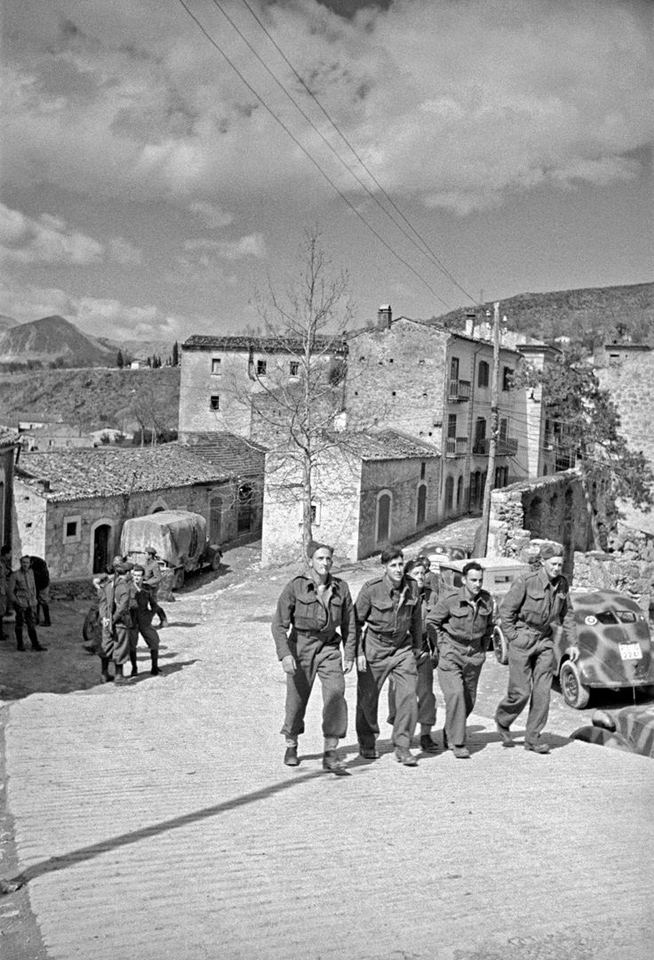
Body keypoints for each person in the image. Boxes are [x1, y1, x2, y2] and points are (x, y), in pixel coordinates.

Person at [272, 541, 357, 773]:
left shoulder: (341, 588)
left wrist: (349, 654)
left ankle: (331, 751)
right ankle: (291, 743)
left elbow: (350, 624)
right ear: (310, 561)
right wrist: (285, 655)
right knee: (296, 700)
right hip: (301, 646)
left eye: (328, 559)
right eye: (320, 559)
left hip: (329, 647)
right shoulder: (296, 587)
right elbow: (279, 625)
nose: (325, 563)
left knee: (336, 692)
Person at [495, 542, 579, 754]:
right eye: (553, 564)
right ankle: (503, 720)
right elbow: (506, 611)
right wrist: (514, 636)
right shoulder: (526, 581)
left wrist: (573, 642)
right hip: (523, 638)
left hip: (544, 641)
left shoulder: (562, 584)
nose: (557, 568)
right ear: (543, 562)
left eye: (560, 564)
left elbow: (567, 614)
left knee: (542, 693)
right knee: (521, 692)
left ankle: (532, 738)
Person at [355, 545, 422, 766]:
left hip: (402, 648)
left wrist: (418, 647)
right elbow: (355, 623)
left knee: (409, 695)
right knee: (368, 698)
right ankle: (367, 741)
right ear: (384, 567)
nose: (398, 569)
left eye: (401, 564)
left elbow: (416, 620)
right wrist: (358, 652)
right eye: (393, 565)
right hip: (375, 647)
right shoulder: (371, 589)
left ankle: (402, 746)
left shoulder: (412, 586)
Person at [427, 561, 496, 758]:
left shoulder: (487, 600)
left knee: (468, 700)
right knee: (456, 695)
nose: (477, 584)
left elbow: (490, 625)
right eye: (473, 580)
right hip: (451, 653)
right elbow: (432, 621)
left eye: (480, 580)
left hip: (474, 656)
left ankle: (450, 730)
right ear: (464, 580)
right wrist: (441, 645)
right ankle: (457, 743)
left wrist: (482, 648)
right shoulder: (451, 600)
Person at [387, 558, 440, 753]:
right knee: (399, 695)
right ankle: (400, 734)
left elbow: (438, 624)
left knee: (426, 693)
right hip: (401, 651)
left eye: (423, 573)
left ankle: (425, 735)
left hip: (423, 652)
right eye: (416, 573)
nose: (421, 577)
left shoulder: (432, 596)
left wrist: (437, 651)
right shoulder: (399, 595)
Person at [98, 559, 135, 684]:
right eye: (132, 572)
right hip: (119, 623)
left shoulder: (108, 584)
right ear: (128, 573)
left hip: (107, 621)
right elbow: (122, 607)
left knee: (106, 646)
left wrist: (105, 619)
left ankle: (104, 674)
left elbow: (102, 602)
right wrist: (113, 620)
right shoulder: (124, 587)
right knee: (120, 648)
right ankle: (119, 677)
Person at [128, 565, 161, 677]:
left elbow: (154, 605)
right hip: (132, 621)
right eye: (135, 575)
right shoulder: (128, 587)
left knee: (154, 641)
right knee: (132, 645)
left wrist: (150, 615)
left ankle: (155, 666)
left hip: (144, 620)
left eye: (139, 576)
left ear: (143, 577)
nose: (136, 578)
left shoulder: (147, 589)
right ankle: (134, 668)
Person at [8, 556, 47, 652]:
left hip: (30, 603)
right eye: (23, 562)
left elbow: (33, 587)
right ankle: (20, 644)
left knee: (31, 624)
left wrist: (34, 600)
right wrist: (16, 602)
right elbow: (10, 591)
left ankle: (35, 644)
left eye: (27, 562)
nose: (25, 564)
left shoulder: (31, 573)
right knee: (19, 623)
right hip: (20, 603)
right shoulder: (15, 575)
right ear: (21, 563)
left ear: (30, 564)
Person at [143, 546, 167, 626]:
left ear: (150, 555)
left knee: (153, 604)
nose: (144, 555)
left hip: (152, 588)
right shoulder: (147, 563)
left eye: (146, 554)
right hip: (146, 587)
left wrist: (147, 582)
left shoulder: (154, 564)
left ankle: (163, 619)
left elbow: (159, 578)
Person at [31, 556, 51, 627]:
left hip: (43, 584)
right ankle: (36, 619)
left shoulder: (41, 564)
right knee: (36, 602)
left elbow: (43, 576)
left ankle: (47, 621)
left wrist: (32, 572)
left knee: (43, 601)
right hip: (36, 584)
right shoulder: (31, 565)